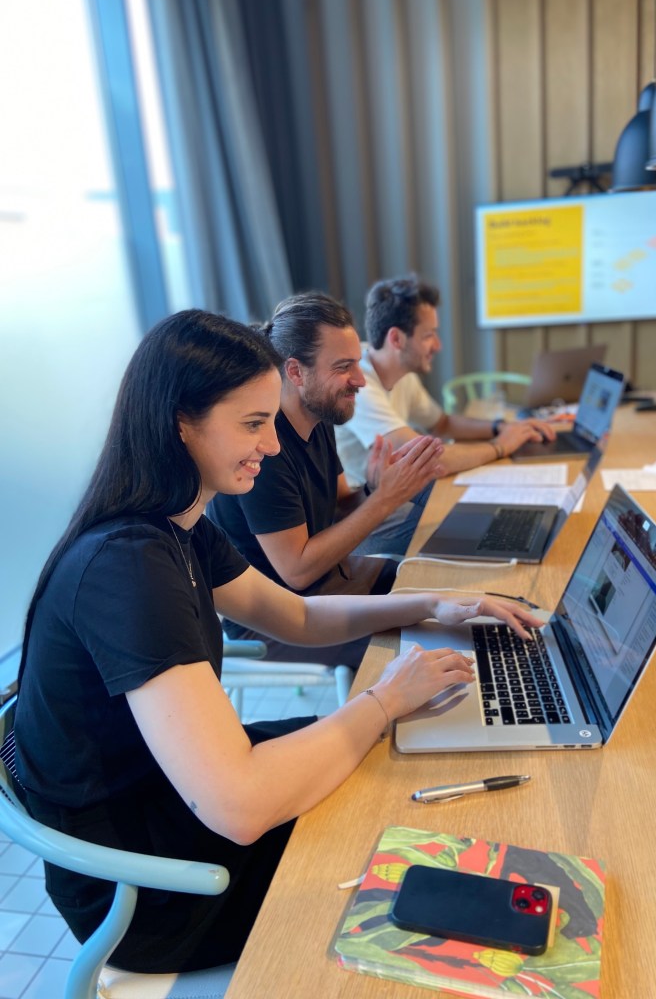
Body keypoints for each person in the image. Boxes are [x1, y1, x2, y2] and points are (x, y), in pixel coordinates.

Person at [13, 309, 541, 974]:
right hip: (149, 888)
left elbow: (293, 616)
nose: (269, 444)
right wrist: (382, 700)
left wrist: (433, 603)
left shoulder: (174, 523)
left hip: (176, 806)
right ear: (181, 422)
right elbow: (239, 805)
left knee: (392, 766)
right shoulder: (128, 568)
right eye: (253, 424)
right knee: (388, 815)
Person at [208, 292, 444, 667]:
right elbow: (297, 571)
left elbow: (338, 506)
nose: (360, 380)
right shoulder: (265, 450)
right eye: (343, 367)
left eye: (357, 364)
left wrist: (375, 490)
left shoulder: (318, 418)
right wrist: (384, 500)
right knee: (423, 641)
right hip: (276, 619)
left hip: (329, 583)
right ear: (296, 372)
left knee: (436, 583)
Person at [335, 275, 557, 494]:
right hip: (364, 505)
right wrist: (500, 446)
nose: (438, 345)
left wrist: (501, 427)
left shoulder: (403, 374)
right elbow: (428, 459)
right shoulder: (358, 384)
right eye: (429, 335)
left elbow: (442, 424)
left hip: (395, 495)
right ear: (396, 339)